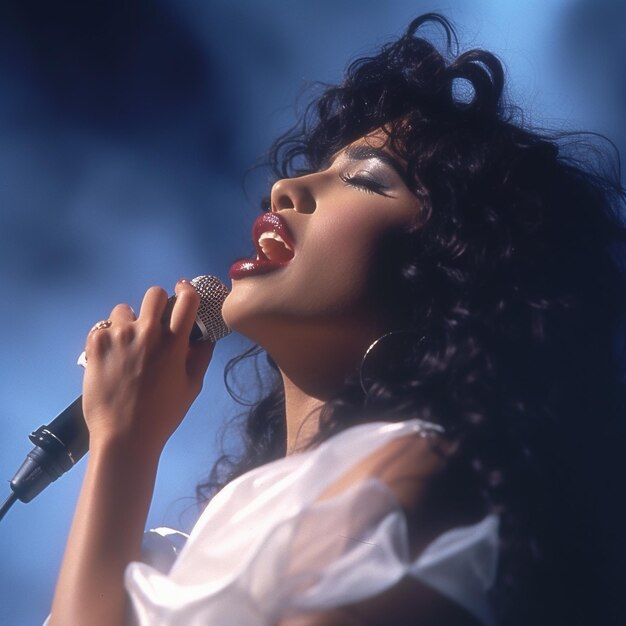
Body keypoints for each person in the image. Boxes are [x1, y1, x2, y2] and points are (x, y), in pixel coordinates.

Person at [47, 13, 626, 626]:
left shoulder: (415, 471)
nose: (286, 189)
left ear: (449, 269)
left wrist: (123, 445)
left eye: (365, 180)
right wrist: (125, 443)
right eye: (317, 167)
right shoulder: (215, 532)